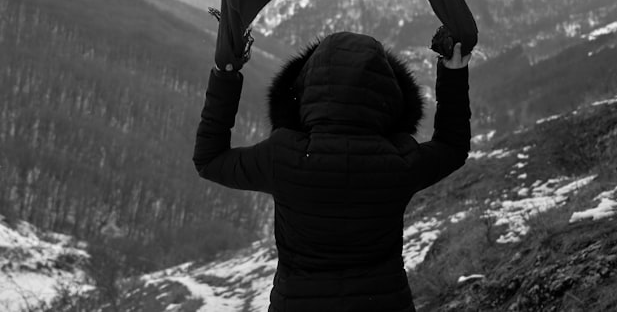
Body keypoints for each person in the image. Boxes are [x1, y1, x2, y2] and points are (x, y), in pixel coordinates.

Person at [193, 31, 471, 312]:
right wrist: (453, 72)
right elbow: (452, 147)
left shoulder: (282, 157)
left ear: (304, 90)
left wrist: (226, 74)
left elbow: (209, 160)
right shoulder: (400, 161)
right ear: (391, 96)